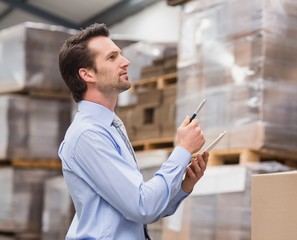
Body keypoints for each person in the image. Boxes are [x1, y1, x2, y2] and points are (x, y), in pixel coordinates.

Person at [58, 23, 209, 240]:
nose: (125, 62)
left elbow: (143, 212)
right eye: (112, 57)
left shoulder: (111, 127)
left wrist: (184, 185)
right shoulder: (87, 135)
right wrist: (182, 150)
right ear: (87, 74)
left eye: (121, 54)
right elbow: (142, 206)